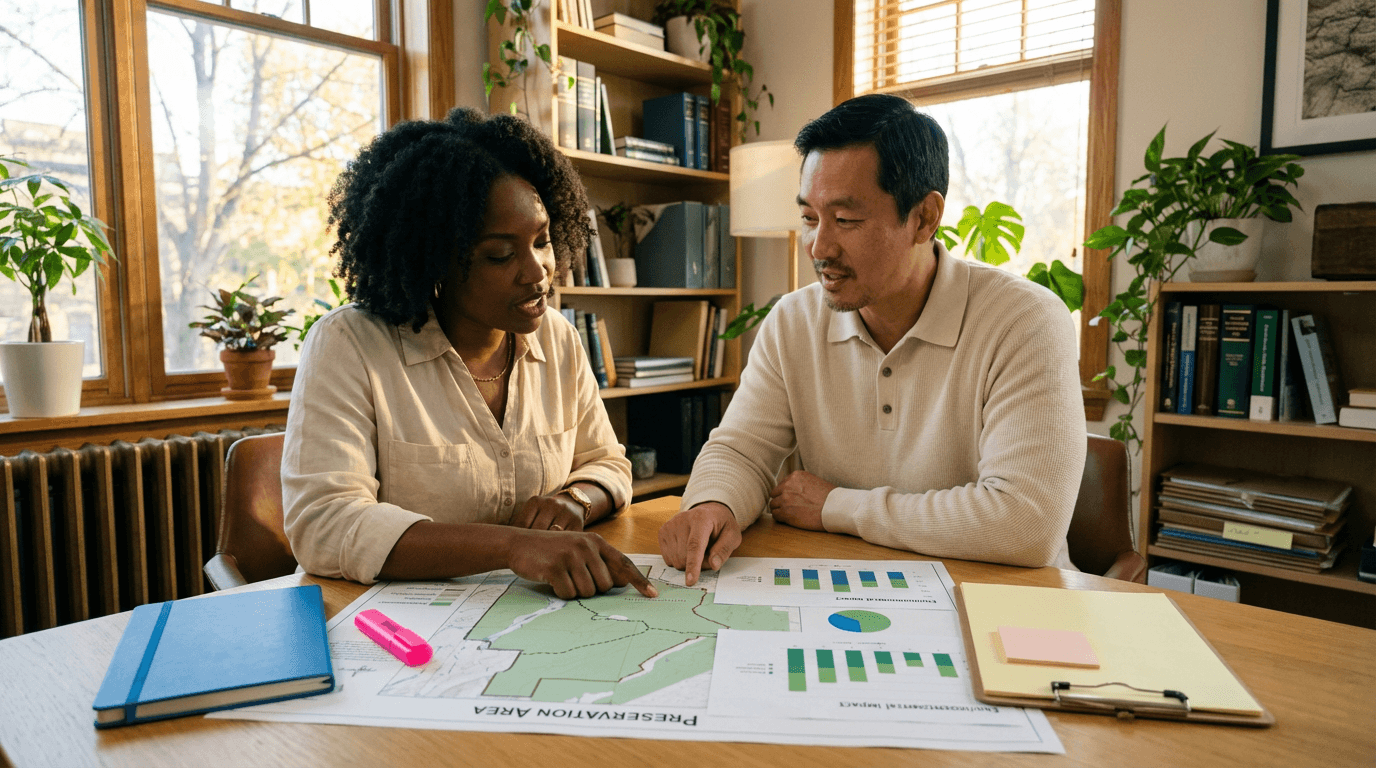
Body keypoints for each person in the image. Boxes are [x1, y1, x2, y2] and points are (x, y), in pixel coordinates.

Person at [659, 94, 1085, 585]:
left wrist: (837, 506)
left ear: (924, 218)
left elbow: (1025, 523)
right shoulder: (792, 322)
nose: (819, 247)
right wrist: (714, 502)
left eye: (845, 220)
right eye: (809, 218)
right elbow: (741, 451)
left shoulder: (1026, 321)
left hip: (1007, 607)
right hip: (852, 595)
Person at [284, 108, 655, 600]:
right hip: (390, 625)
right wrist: (512, 547)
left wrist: (578, 500)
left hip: (527, 616)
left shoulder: (559, 339)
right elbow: (326, 524)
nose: (537, 271)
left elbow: (608, 462)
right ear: (436, 259)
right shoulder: (349, 344)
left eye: (542, 241)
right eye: (500, 255)